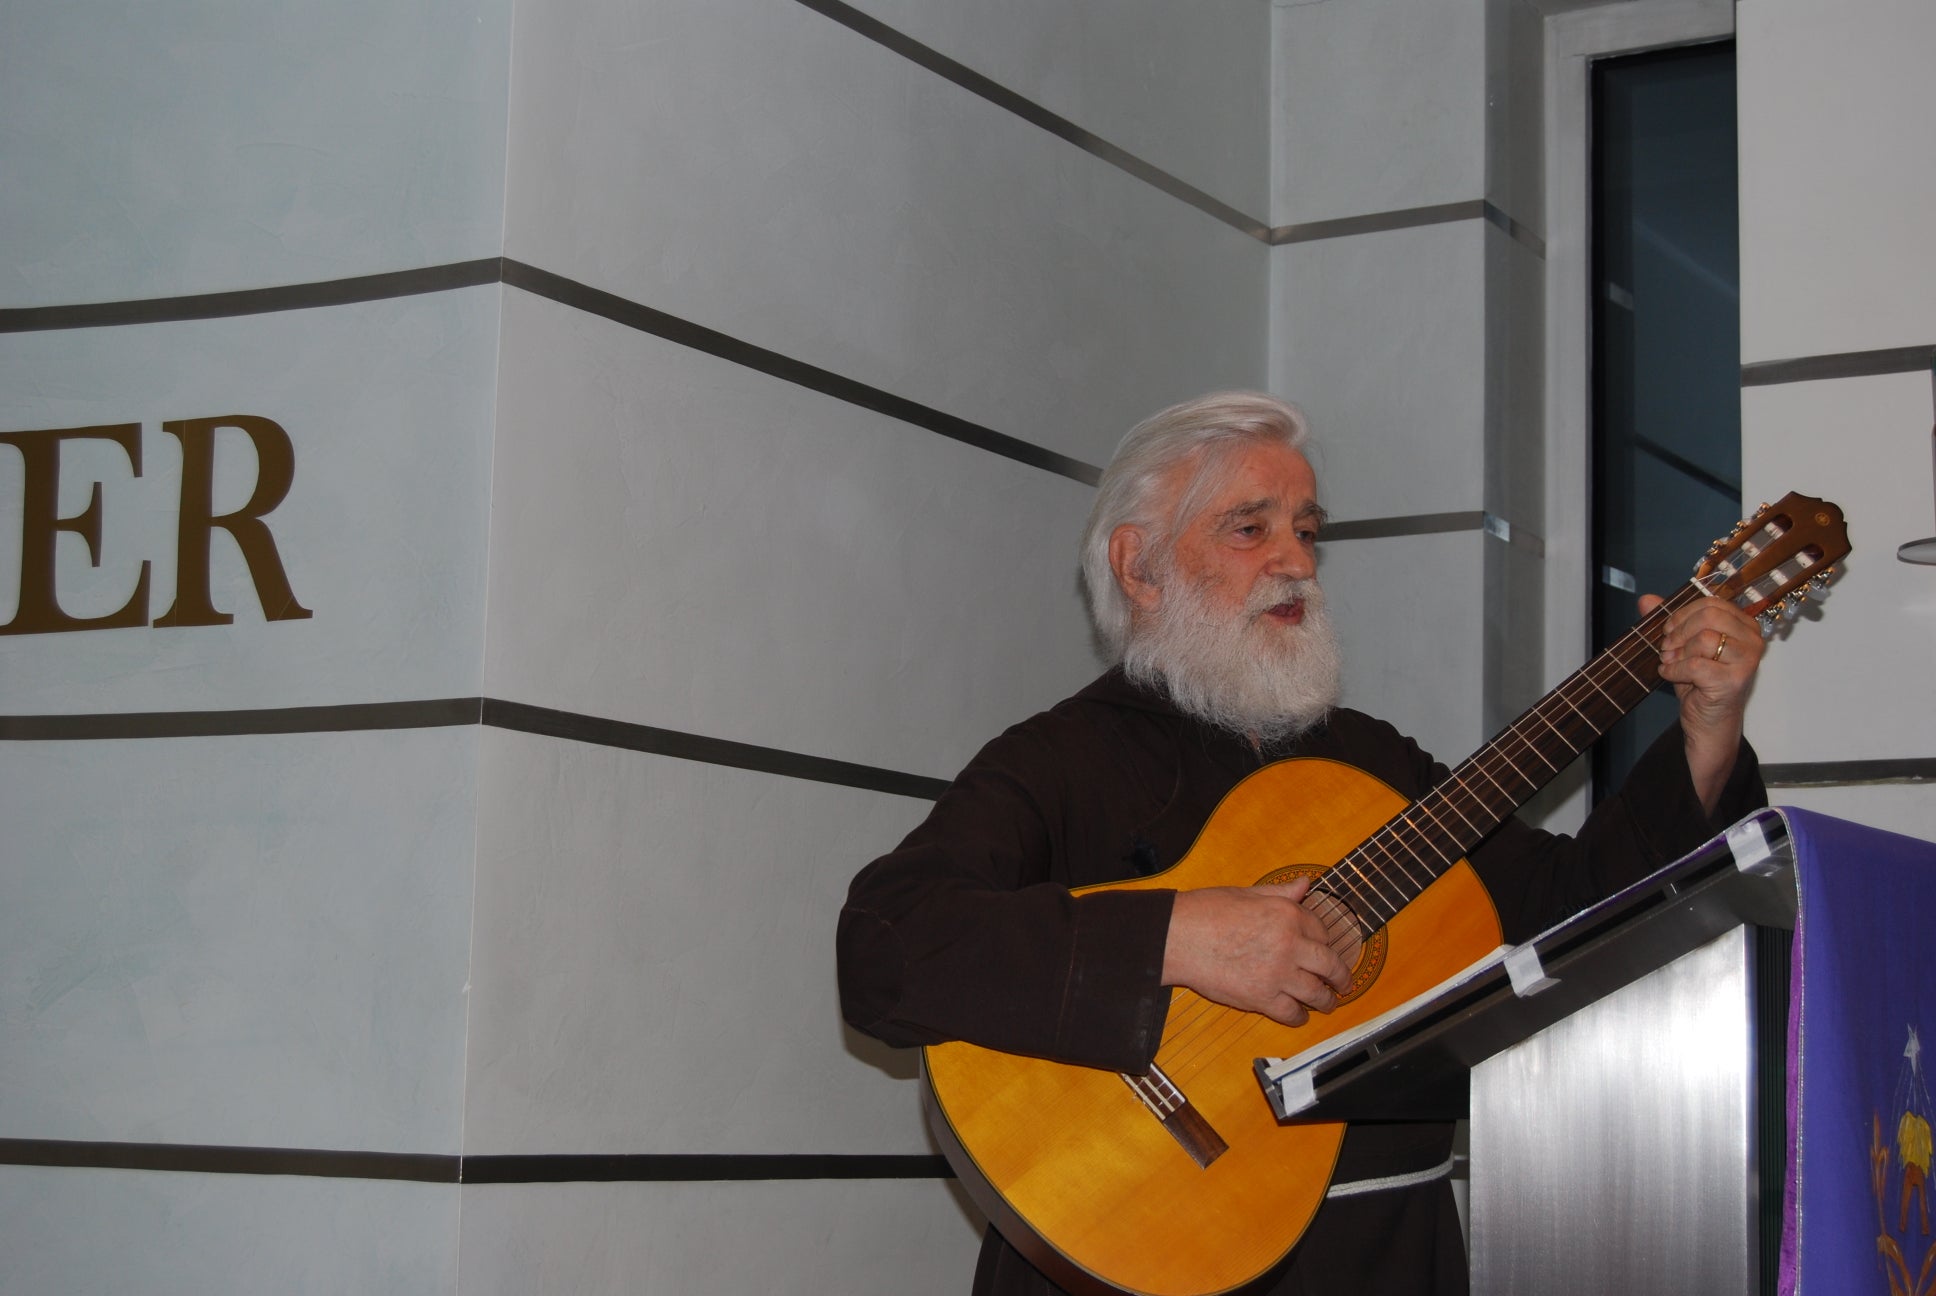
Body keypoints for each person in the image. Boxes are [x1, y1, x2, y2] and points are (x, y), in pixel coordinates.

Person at [836, 391, 1767, 1295]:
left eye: (1308, 531)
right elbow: (886, 947)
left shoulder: (1370, 761)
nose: (1297, 563)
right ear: (1138, 566)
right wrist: (1178, 938)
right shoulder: (1061, 758)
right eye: (1251, 530)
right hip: (1138, 1260)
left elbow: (1570, 911)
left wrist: (1704, 736)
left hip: (1395, 1255)